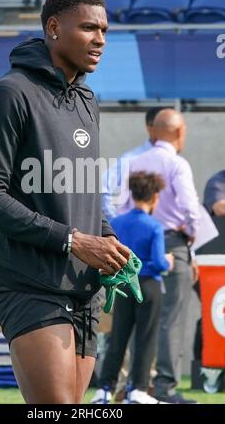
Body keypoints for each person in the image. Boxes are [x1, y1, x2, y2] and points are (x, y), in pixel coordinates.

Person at [0, 0, 131, 404]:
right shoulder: (10, 94)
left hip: (84, 287)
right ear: (54, 28)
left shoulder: (87, 101)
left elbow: (83, 193)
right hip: (28, 282)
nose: (100, 40)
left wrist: (107, 240)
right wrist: (75, 241)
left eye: (105, 30)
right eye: (89, 28)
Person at [128, 110, 200, 404]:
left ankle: (137, 384)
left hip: (137, 246)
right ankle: (164, 388)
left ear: (153, 132)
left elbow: (119, 204)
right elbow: (191, 209)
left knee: (140, 318)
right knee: (171, 317)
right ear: (180, 132)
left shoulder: (134, 161)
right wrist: (192, 234)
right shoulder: (177, 164)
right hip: (172, 241)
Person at [92, 172, 174, 405]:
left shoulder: (116, 222)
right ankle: (138, 390)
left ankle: (104, 389)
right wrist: (168, 261)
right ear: (155, 198)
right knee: (146, 339)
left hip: (123, 286)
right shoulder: (154, 227)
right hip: (149, 287)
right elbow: (158, 263)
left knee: (118, 337)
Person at [102, 107, 173, 222]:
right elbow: (103, 188)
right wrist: (116, 223)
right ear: (150, 128)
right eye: (165, 127)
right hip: (139, 235)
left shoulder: (174, 161)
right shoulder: (132, 159)